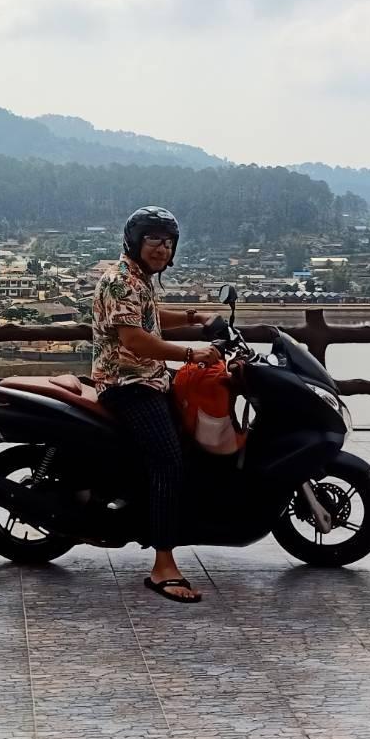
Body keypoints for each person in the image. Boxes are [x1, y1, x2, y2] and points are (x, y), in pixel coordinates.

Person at [91, 206, 221, 603]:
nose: (161, 248)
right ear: (134, 242)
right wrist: (191, 353)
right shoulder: (120, 281)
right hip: (127, 385)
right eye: (153, 239)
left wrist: (194, 317)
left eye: (167, 241)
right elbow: (135, 340)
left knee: (183, 446)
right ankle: (163, 564)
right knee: (167, 461)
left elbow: (149, 317)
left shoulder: (137, 280)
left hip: (149, 380)